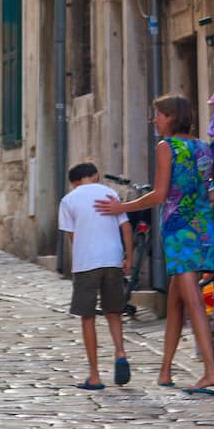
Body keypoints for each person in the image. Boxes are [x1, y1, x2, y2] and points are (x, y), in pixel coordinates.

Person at [97, 93, 214, 392]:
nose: (154, 120)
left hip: (178, 231)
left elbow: (159, 195)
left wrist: (122, 208)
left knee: (193, 300)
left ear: (171, 116)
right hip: (203, 228)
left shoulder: (166, 147)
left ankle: (210, 370)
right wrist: (196, 199)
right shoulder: (203, 147)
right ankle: (165, 371)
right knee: (176, 301)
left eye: (158, 114)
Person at [59, 162, 133, 390]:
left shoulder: (68, 200)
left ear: (74, 182)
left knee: (88, 316)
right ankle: (120, 352)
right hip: (112, 258)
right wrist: (128, 256)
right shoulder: (110, 193)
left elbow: (72, 236)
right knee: (114, 312)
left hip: (86, 263)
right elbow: (126, 226)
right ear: (96, 176)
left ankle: (94, 375)